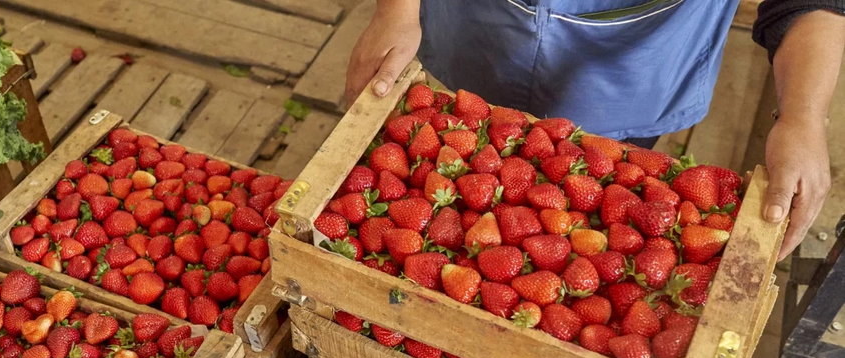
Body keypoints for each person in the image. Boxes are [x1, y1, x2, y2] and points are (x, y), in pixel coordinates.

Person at [345, 0, 845, 259]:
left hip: (640, 48)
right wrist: (397, 11)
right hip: (480, 22)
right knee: (462, 145)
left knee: (607, 185)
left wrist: (803, 114)